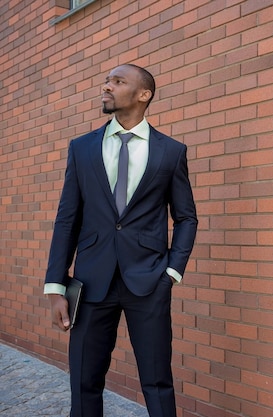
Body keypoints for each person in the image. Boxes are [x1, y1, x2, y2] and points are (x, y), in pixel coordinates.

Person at [44, 63, 198, 417]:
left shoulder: (171, 152)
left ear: (143, 95)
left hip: (149, 280)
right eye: (106, 81)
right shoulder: (82, 148)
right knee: (84, 381)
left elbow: (186, 217)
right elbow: (68, 218)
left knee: (157, 381)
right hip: (90, 281)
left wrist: (172, 272)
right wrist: (55, 284)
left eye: (118, 81)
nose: (107, 86)